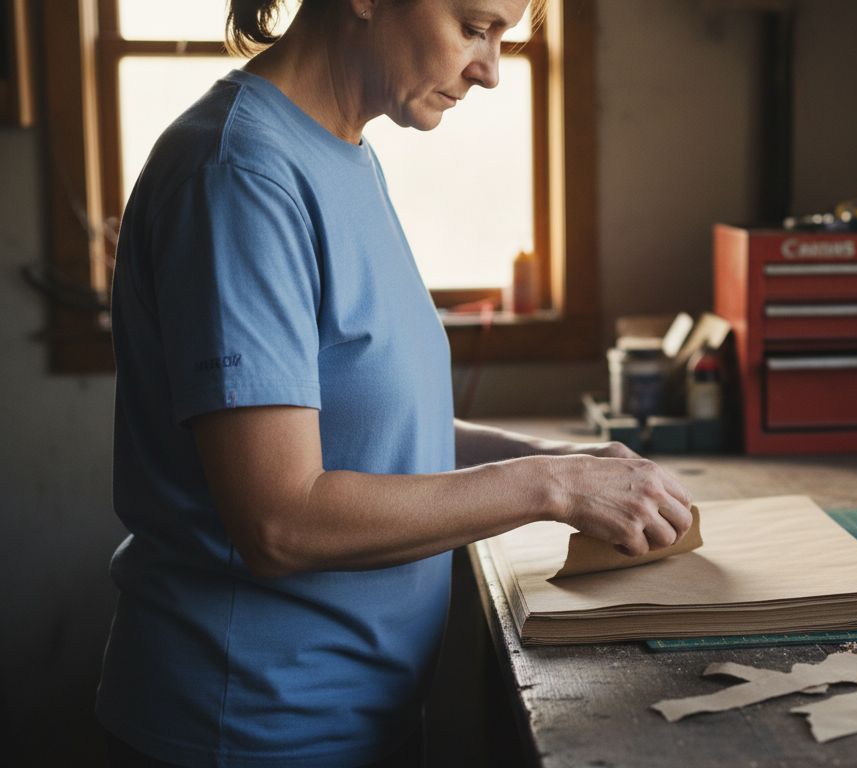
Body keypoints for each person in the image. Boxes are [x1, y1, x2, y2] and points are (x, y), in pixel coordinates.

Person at [95, 0, 694, 765]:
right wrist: (551, 486)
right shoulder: (240, 175)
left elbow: (375, 433)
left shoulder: (342, 152)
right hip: (250, 729)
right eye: (475, 27)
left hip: (352, 716)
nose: (491, 71)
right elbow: (281, 519)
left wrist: (572, 461)